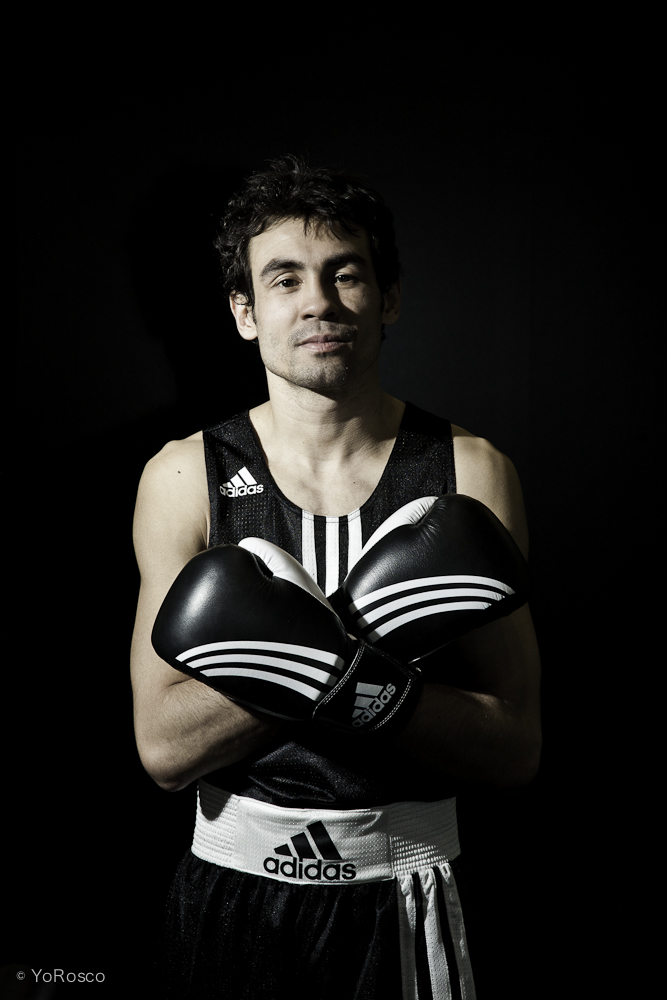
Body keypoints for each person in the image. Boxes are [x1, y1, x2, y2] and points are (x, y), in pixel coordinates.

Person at [130, 155, 542, 999]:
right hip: (232, 892)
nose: (317, 301)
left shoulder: (469, 472)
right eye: (284, 279)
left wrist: (307, 662)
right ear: (245, 313)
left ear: (387, 298)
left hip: (411, 890)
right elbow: (164, 750)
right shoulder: (183, 477)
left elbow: (514, 747)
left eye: (344, 273)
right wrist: (351, 647)